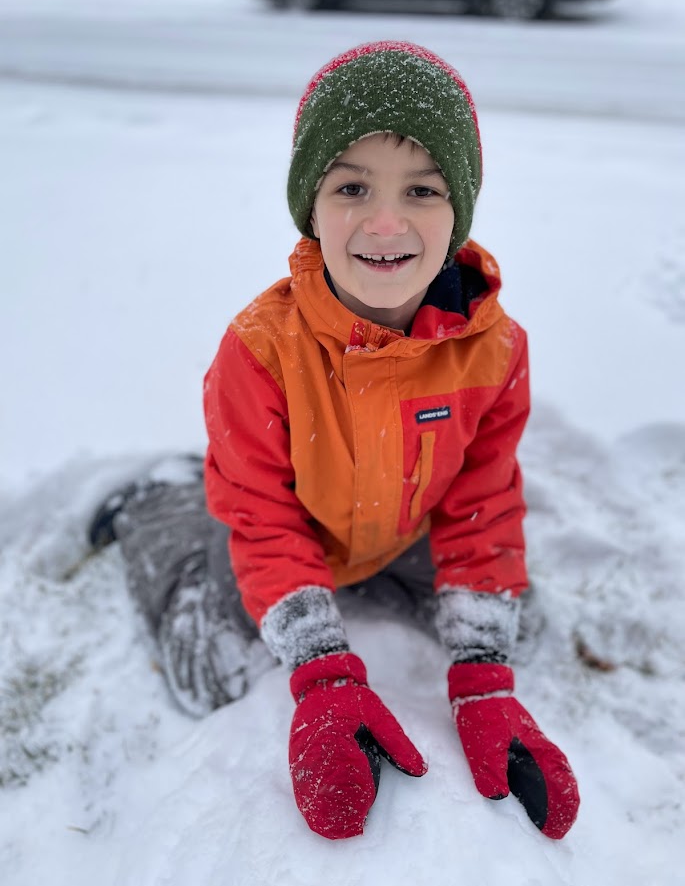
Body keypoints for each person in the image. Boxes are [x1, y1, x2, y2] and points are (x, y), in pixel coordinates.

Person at [89, 41, 580, 841]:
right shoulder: (260, 349)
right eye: (352, 186)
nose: (385, 223)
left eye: (420, 190)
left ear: (457, 212)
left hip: (405, 523)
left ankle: (388, 585)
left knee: (523, 625)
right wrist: (320, 670)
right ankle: (161, 502)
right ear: (309, 208)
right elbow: (260, 513)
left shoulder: (494, 349)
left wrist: (484, 678)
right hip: (291, 524)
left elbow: (481, 502)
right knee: (204, 663)